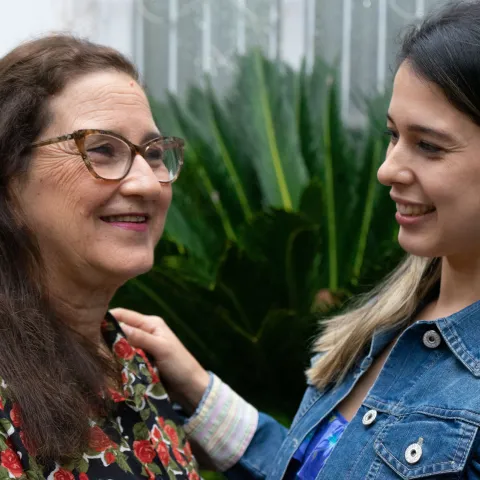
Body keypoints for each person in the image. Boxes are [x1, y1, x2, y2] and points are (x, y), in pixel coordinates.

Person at [113, 1, 480, 478]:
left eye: (428, 145)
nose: (386, 168)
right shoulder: (381, 326)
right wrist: (199, 390)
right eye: (392, 135)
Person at [0, 34, 201, 479]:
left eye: (153, 154)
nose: (147, 184)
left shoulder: (134, 359)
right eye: (103, 150)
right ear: (10, 179)